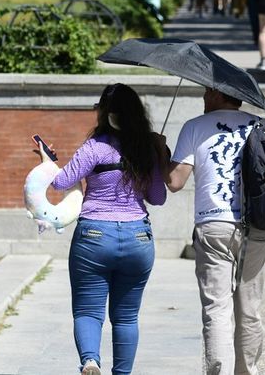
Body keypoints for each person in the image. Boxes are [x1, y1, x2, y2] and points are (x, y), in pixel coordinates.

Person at [166, 87, 265, 375]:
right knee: (250, 309)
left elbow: (174, 181)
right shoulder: (264, 126)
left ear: (219, 94)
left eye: (207, 91)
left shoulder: (194, 126)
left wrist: (161, 154)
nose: (203, 96)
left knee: (216, 308)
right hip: (258, 225)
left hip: (214, 225)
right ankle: (247, 370)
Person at [50, 83, 169, 375]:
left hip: (94, 236)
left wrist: (47, 161)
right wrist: (159, 154)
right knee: (127, 317)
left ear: (104, 113)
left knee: (88, 311)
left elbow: (61, 182)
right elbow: (158, 197)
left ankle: (90, 360)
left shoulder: (95, 147)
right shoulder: (146, 151)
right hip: (138, 237)